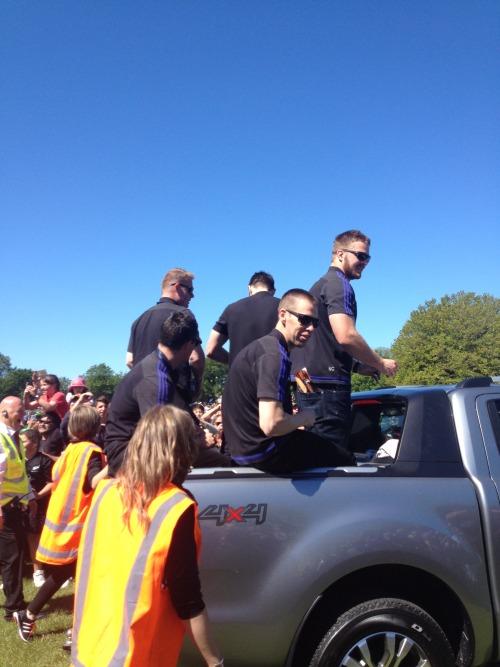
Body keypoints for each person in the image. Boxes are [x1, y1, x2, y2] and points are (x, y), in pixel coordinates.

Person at [70, 405, 224, 667]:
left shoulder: (106, 492)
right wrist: (215, 661)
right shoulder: (175, 506)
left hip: (90, 650)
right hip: (135, 655)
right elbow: (187, 599)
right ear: (184, 449)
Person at [222, 289, 355, 473]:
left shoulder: (261, 349)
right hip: (264, 455)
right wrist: (305, 417)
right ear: (283, 315)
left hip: (240, 453)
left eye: (315, 323)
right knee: (347, 461)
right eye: (304, 319)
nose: (310, 328)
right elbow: (272, 424)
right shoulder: (274, 355)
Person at [291, 230, 398, 450]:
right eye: (360, 255)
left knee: (316, 447)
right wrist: (381, 363)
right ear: (340, 254)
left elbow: (324, 341)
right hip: (326, 385)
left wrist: (358, 366)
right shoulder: (339, 284)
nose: (365, 262)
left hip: (305, 378)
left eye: (367, 257)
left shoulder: (320, 285)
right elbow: (346, 335)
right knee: (330, 455)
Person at [13, 405, 108, 642]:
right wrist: (114, 465)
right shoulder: (92, 451)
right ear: (93, 426)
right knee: (73, 574)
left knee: (69, 573)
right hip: (78, 523)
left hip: (62, 519)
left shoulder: (70, 450)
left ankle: (38, 617)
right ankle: (42, 619)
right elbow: (94, 482)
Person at [106, 311, 230, 477]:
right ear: (189, 344)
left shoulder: (157, 367)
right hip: (127, 456)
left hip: (130, 448)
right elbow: (160, 439)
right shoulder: (156, 380)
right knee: (222, 465)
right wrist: (197, 442)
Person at [126, 267, 204, 399]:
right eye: (190, 289)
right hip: (174, 395)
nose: (192, 295)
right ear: (178, 287)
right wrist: (198, 384)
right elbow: (196, 358)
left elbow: (130, 360)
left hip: (142, 396)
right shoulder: (184, 315)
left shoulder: (139, 320)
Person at [0, 397, 35, 620]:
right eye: (19, 411)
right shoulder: (2, 437)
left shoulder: (14, 437)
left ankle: (15, 602)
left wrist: (30, 497)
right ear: (4, 413)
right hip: (4, 508)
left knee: (14, 557)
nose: (24, 414)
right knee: (11, 558)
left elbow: (20, 473)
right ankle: (14, 608)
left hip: (14, 505)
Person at [206, 271, 280, 366]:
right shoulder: (284, 310)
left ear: (249, 288)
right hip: (274, 376)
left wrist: (235, 362)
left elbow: (210, 350)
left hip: (239, 377)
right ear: (273, 291)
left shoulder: (231, 309)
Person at [19, 428, 54, 588]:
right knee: (15, 539)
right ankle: (14, 575)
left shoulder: (44, 460)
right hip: (18, 505)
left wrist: (37, 495)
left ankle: (38, 572)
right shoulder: (17, 460)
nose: (20, 443)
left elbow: (53, 482)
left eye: (24, 440)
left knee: (34, 537)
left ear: (34, 443)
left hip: (39, 505)